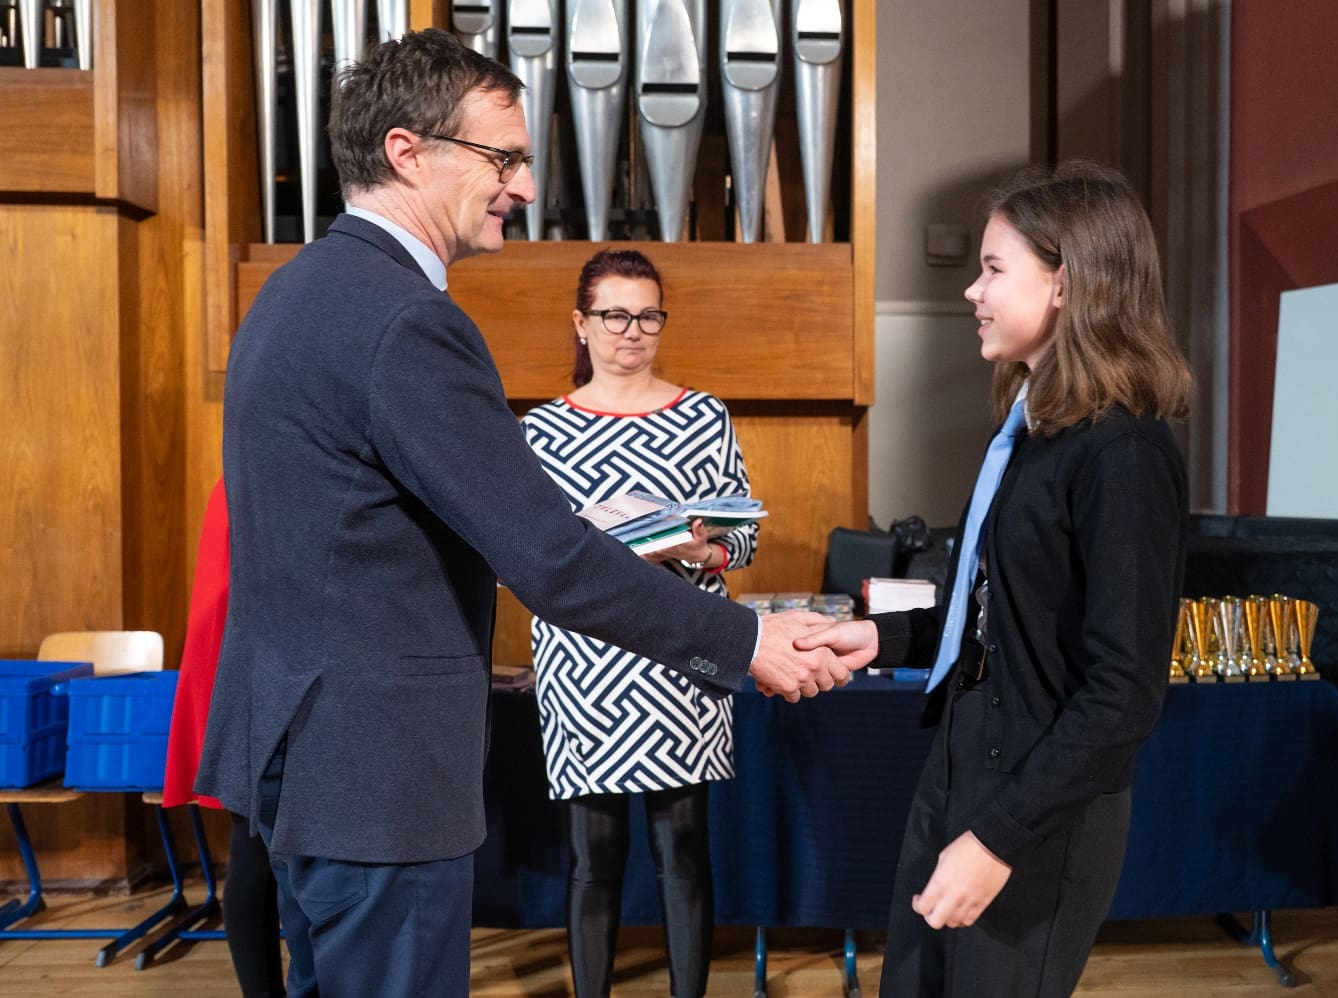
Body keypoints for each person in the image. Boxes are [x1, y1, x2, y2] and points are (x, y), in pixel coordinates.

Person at [193, 29, 851, 998]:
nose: (527, 186)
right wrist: (743, 638)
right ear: (407, 152)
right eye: (502, 157)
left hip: (298, 755)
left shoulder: (291, 293)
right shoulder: (406, 321)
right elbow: (548, 555)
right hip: (377, 778)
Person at [799, 161, 1192, 996]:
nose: (971, 292)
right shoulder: (1031, 430)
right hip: (963, 763)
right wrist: (882, 637)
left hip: (1039, 806)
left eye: (993, 269)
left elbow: (1126, 691)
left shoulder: (1123, 452)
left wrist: (998, 838)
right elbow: (997, 612)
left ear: (1066, 283)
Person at [520, 248, 754, 998]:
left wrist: (699, 548)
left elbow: (743, 537)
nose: (632, 331)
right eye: (615, 315)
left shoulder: (703, 415)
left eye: (648, 315)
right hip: (584, 663)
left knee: (683, 849)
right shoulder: (541, 431)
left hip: (684, 654)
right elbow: (527, 554)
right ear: (581, 323)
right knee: (592, 856)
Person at [161, 479, 283, 998]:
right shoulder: (260, 476)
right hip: (251, 672)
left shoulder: (242, 470)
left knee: (255, 848)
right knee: (255, 849)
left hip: (239, 667)